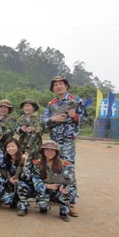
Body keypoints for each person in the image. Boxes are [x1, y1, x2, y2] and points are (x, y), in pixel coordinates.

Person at [42, 76, 83, 217]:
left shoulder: (75, 100)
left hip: (67, 142)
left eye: (61, 84)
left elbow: (86, 118)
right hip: (54, 142)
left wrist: (74, 116)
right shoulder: (51, 104)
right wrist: (53, 119)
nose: (58, 87)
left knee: (68, 169)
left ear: (66, 86)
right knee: (54, 169)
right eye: (55, 85)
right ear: (53, 89)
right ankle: (57, 198)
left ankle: (71, 202)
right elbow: (44, 120)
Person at [32, 140, 76, 222]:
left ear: (56, 152)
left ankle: (64, 212)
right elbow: (36, 180)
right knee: (43, 205)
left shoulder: (64, 164)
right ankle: (44, 205)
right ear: (43, 151)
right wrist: (47, 186)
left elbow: (69, 179)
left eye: (52, 150)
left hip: (58, 190)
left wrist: (63, 188)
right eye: (47, 149)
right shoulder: (37, 164)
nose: (49, 152)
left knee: (66, 192)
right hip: (44, 190)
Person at [2, 138, 38, 216]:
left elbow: (27, 177)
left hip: (26, 186)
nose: (10, 148)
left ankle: (23, 207)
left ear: (18, 147)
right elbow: (5, 174)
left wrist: (24, 163)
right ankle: (14, 200)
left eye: (13, 146)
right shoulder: (6, 159)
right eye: (8, 146)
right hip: (13, 186)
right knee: (6, 200)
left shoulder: (25, 158)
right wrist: (10, 180)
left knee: (20, 184)